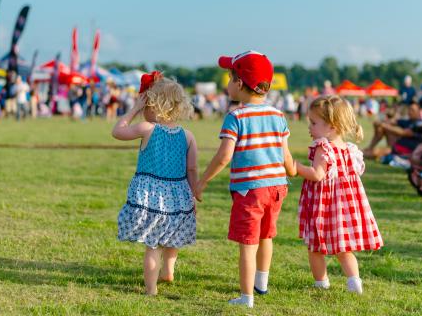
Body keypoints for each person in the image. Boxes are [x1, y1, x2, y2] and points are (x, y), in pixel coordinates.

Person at [194, 51, 295, 309]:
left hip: (250, 190)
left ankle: (246, 297)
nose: (226, 84)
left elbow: (223, 157)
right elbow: (285, 156)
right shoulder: (279, 115)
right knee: (266, 237)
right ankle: (262, 283)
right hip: (277, 187)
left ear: (239, 83)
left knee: (247, 244)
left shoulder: (236, 117)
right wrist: (294, 171)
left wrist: (203, 181)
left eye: (229, 78)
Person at [113, 73, 197, 296]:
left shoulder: (146, 128)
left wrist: (133, 110)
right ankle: (168, 269)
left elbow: (117, 131)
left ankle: (151, 289)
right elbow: (192, 170)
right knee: (172, 237)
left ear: (155, 106)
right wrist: (193, 195)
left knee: (153, 245)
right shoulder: (188, 136)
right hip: (179, 195)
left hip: (151, 197)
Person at [291, 95, 383, 294]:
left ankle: (321, 283)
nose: (309, 127)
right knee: (343, 248)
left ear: (332, 126)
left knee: (315, 246)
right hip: (343, 207)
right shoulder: (348, 149)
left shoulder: (322, 147)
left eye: (314, 123)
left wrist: (295, 167)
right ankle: (354, 281)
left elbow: (317, 175)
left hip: (324, 205)